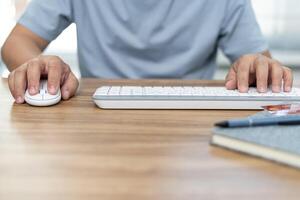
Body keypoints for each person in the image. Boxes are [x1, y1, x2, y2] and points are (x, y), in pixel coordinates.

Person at [1, 0, 293, 104]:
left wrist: (257, 65)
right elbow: (16, 43)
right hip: (95, 122)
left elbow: (261, 65)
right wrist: (39, 66)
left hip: (192, 131)